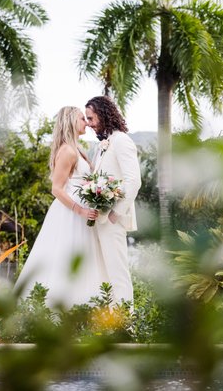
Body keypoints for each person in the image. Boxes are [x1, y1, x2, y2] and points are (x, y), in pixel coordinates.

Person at [15, 106, 106, 308]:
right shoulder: (67, 151)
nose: (86, 123)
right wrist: (80, 210)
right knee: (64, 257)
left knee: (84, 261)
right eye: (82, 119)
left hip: (83, 211)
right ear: (71, 122)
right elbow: (56, 188)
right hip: (71, 214)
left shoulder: (78, 149)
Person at [84, 95, 141, 305]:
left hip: (112, 220)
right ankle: (111, 318)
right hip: (100, 219)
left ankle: (127, 320)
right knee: (105, 275)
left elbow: (133, 181)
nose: (89, 124)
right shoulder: (102, 145)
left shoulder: (121, 141)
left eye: (91, 118)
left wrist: (115, 214)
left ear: (103, 114)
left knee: (118, 273)